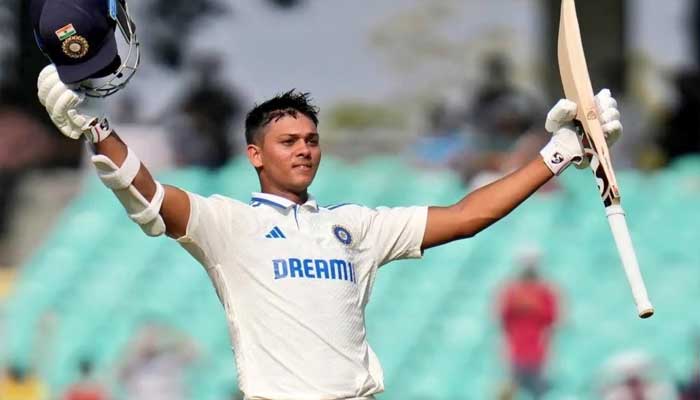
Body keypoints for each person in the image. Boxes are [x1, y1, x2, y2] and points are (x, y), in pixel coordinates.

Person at [31, 1, 623, 398]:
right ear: (255, 154)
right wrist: (95, 129)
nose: (304, 150)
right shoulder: (228, 225)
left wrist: (559, 151)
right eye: (288, 142)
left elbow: (467, 216)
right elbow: (153, 198)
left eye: (311, 140)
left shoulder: (355, 226)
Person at [496, 248, 559, 399]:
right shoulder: (511, 292)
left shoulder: (545, 292)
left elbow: (552, 323)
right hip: (515, 355)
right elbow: (503, 321)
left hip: (538, 355)